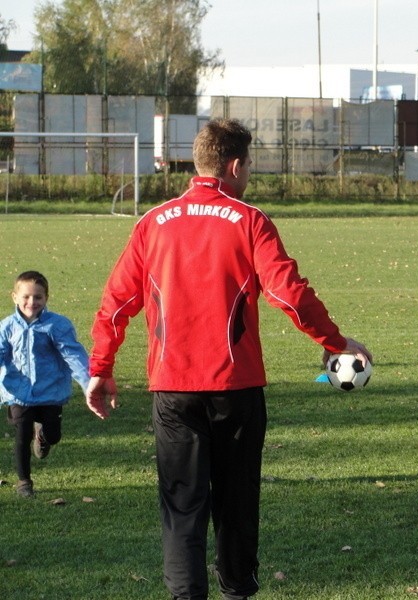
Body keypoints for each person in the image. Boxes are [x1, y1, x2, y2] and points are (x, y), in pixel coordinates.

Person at [85, 118, 372, 600]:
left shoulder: (151, 223)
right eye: (249, 167)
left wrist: (101, 369)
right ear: (235, 165)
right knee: (236, 502)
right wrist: (333, 340)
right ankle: (237, 591)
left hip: (172, 390)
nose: (250, 176)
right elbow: (290, 294)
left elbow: (115, 304)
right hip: (234, 390)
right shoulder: (250, 220)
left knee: (183, 505)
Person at [1, 270, 90, 498]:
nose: (32, 302)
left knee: (54, 435)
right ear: (15, 297)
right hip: (19, 393)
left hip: (50, 392)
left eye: (38, 297)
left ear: (46, 298)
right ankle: (24, 482)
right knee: (21, 435)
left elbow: (72, 355)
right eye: (26, 297)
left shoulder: (56, 325)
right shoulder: (7, 327)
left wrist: (88, 383)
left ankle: (42, 435)